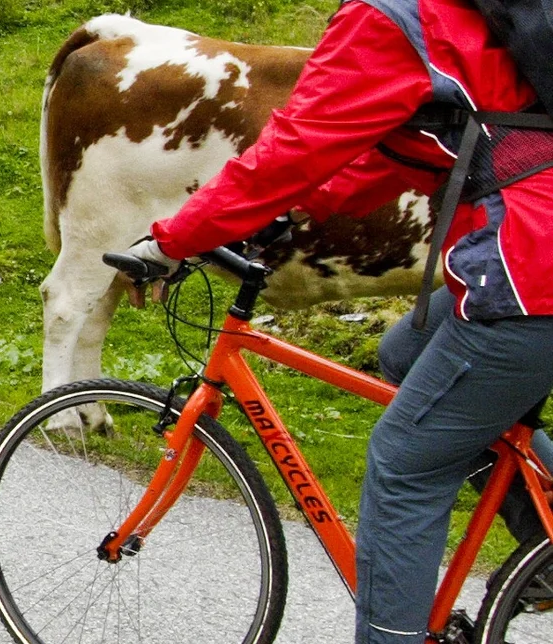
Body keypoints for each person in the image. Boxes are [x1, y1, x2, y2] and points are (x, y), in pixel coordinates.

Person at [114, 0, 553, 641]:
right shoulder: (463, 17)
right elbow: (402, 155)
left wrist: (172, 239)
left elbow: (293, 146)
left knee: (406, 464)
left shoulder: (385, 21)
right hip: (532, 262)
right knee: (406, 354)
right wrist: (298, 208)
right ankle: (545, 547)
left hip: (529, 273)